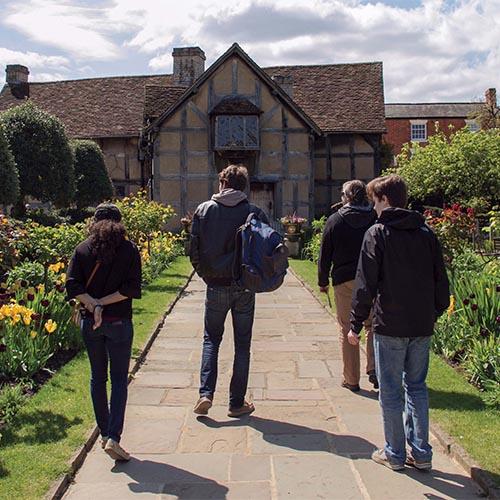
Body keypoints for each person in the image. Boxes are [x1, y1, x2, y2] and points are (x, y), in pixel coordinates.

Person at [347, 175, 449, 472]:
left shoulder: (377, 233)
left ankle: (394, 453)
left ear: (385, 200)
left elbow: (365, 284)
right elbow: (440, 281)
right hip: (420, 324)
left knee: (391, 391)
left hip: (389, 323)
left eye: (375, 201)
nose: (373, 207)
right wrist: (435, 311)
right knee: (416, 387)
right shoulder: (426, 234)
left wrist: (355, 324)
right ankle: (422, 453)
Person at [190, 164, 268, 418]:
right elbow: (267, 251)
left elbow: (193, 251)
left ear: (222, 183)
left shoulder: (204, 210)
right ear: (244, 186)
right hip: (244, 286)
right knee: (242, 344)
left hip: (216, 284)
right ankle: (236, 403)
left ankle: (205, 394)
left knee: (211, 340)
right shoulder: (254, 212)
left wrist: (205, 274)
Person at [66, 203, 141, 462]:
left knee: (98, 378)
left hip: (92, 324)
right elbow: (131, 289)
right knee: (119, 380)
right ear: (119, 223)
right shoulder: (129, 250)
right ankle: (113, 437)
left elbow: (72, 285)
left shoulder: (83, 249)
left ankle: (104, 432)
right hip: (119, 322)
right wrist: (104, 303)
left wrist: (94, 304)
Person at [318, 180, 377, 392]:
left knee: (348, 328)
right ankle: (374, 367)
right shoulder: (374, 217)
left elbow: (325, 254)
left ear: (346, 196)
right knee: (372, 325)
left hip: (344, 280)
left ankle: (352, 379)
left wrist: (323, 281)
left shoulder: (335, 220)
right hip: (371, 279)